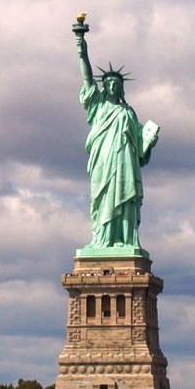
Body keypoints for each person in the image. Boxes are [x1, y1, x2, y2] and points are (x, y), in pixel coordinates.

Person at [75, 32, 159, 250]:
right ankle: (102, 240)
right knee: (102, 199)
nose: (112, 86)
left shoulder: (129, 112)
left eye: (116, 83)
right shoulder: (98, 106)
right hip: (103, 160)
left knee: (126, 198)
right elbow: (87, 77)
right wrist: (82, 48)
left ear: (121, 88)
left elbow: (139, 144)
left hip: (125, 162)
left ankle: (125, 239)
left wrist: (149, 140)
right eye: (109, 82)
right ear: (104, 87)